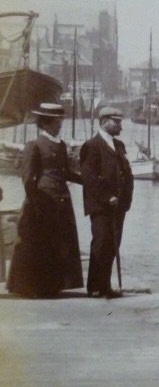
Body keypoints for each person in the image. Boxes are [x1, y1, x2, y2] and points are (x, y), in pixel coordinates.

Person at [5, 103, 84, 298]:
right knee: (39, 244)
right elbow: (27, 177)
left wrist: (87, 181)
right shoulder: (34, 145)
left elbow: (65, 172)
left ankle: (53, 285)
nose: (59, 125)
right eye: (57, 122)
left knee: (58, 243)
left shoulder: (61, 145)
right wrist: (34, 202)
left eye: (60, 121)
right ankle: (33, 287)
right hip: (41, 201)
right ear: (46, 123)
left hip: (61, 201)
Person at [80, 105, 134, 298]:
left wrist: (125, 200)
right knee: (101, 244)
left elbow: (126, 173)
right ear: (104, 122)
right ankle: (94, 286)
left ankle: (105, 286)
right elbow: (89, 178)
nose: (120, 126)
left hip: (118, 206)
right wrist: (106, 197)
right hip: (101, 206)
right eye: (116, 122)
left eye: (120, 122)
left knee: (113, 244)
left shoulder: (119, 146)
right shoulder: (92, 146)